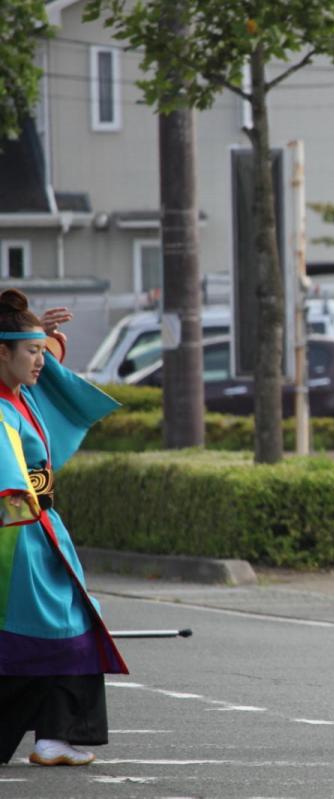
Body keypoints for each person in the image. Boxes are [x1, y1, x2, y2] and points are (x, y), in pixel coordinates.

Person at [0, 289, 127, 767]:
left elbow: (41, 364)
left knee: (69, 623)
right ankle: (53, 734)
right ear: (1, 352)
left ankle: (54, 735)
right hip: (15, 535)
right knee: (46, 631)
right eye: (30, 352)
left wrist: (41, 335)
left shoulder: (21, 394)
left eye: (41, 352)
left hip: (37, 529)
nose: (41, 361)